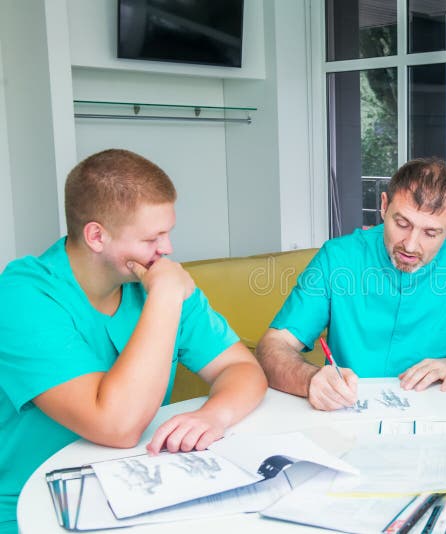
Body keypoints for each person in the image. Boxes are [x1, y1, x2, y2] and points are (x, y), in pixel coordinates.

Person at [0, 149, 268, 533]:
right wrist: (164, 297)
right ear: (96, 236)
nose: (168, 249)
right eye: (152, 237)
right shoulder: (22, 297)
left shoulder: (157, 280)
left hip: (140, 490)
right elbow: (116, 425)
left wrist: (214, 415)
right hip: (36, 506)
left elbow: (240, 367)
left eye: (168, 232)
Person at [257, 158, 446, 410]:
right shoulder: (337, 258)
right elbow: (273, 346)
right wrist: (310, 379)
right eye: (402, 223)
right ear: (384, 206)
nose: (411, 245)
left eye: (431, 233)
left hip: (443, 418)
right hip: (349, 415)